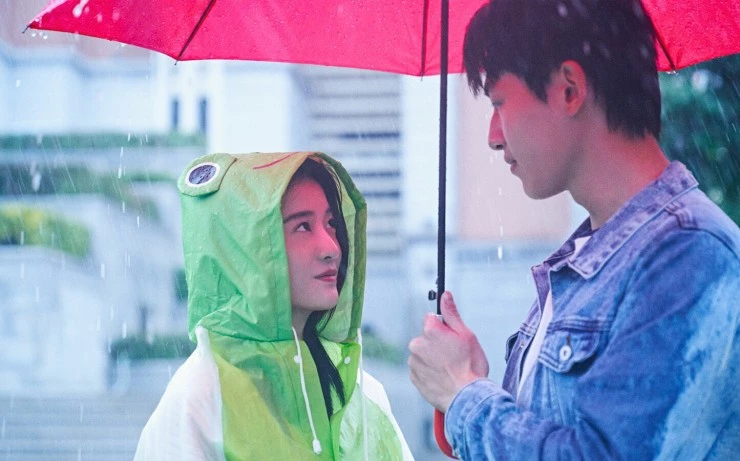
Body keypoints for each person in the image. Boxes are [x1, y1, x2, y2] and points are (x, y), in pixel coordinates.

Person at [408, 0, 740, 459]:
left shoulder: (688, 256)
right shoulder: (585, 263)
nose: (493, 135)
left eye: (499, 102)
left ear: (569, 90)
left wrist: (465, 397)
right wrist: (468, 386)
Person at [135, 151, 413, 460]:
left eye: (331, 223)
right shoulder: (199, 399)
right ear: (245, 250)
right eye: (303, 227)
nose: (332, 248)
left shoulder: (363, 393)